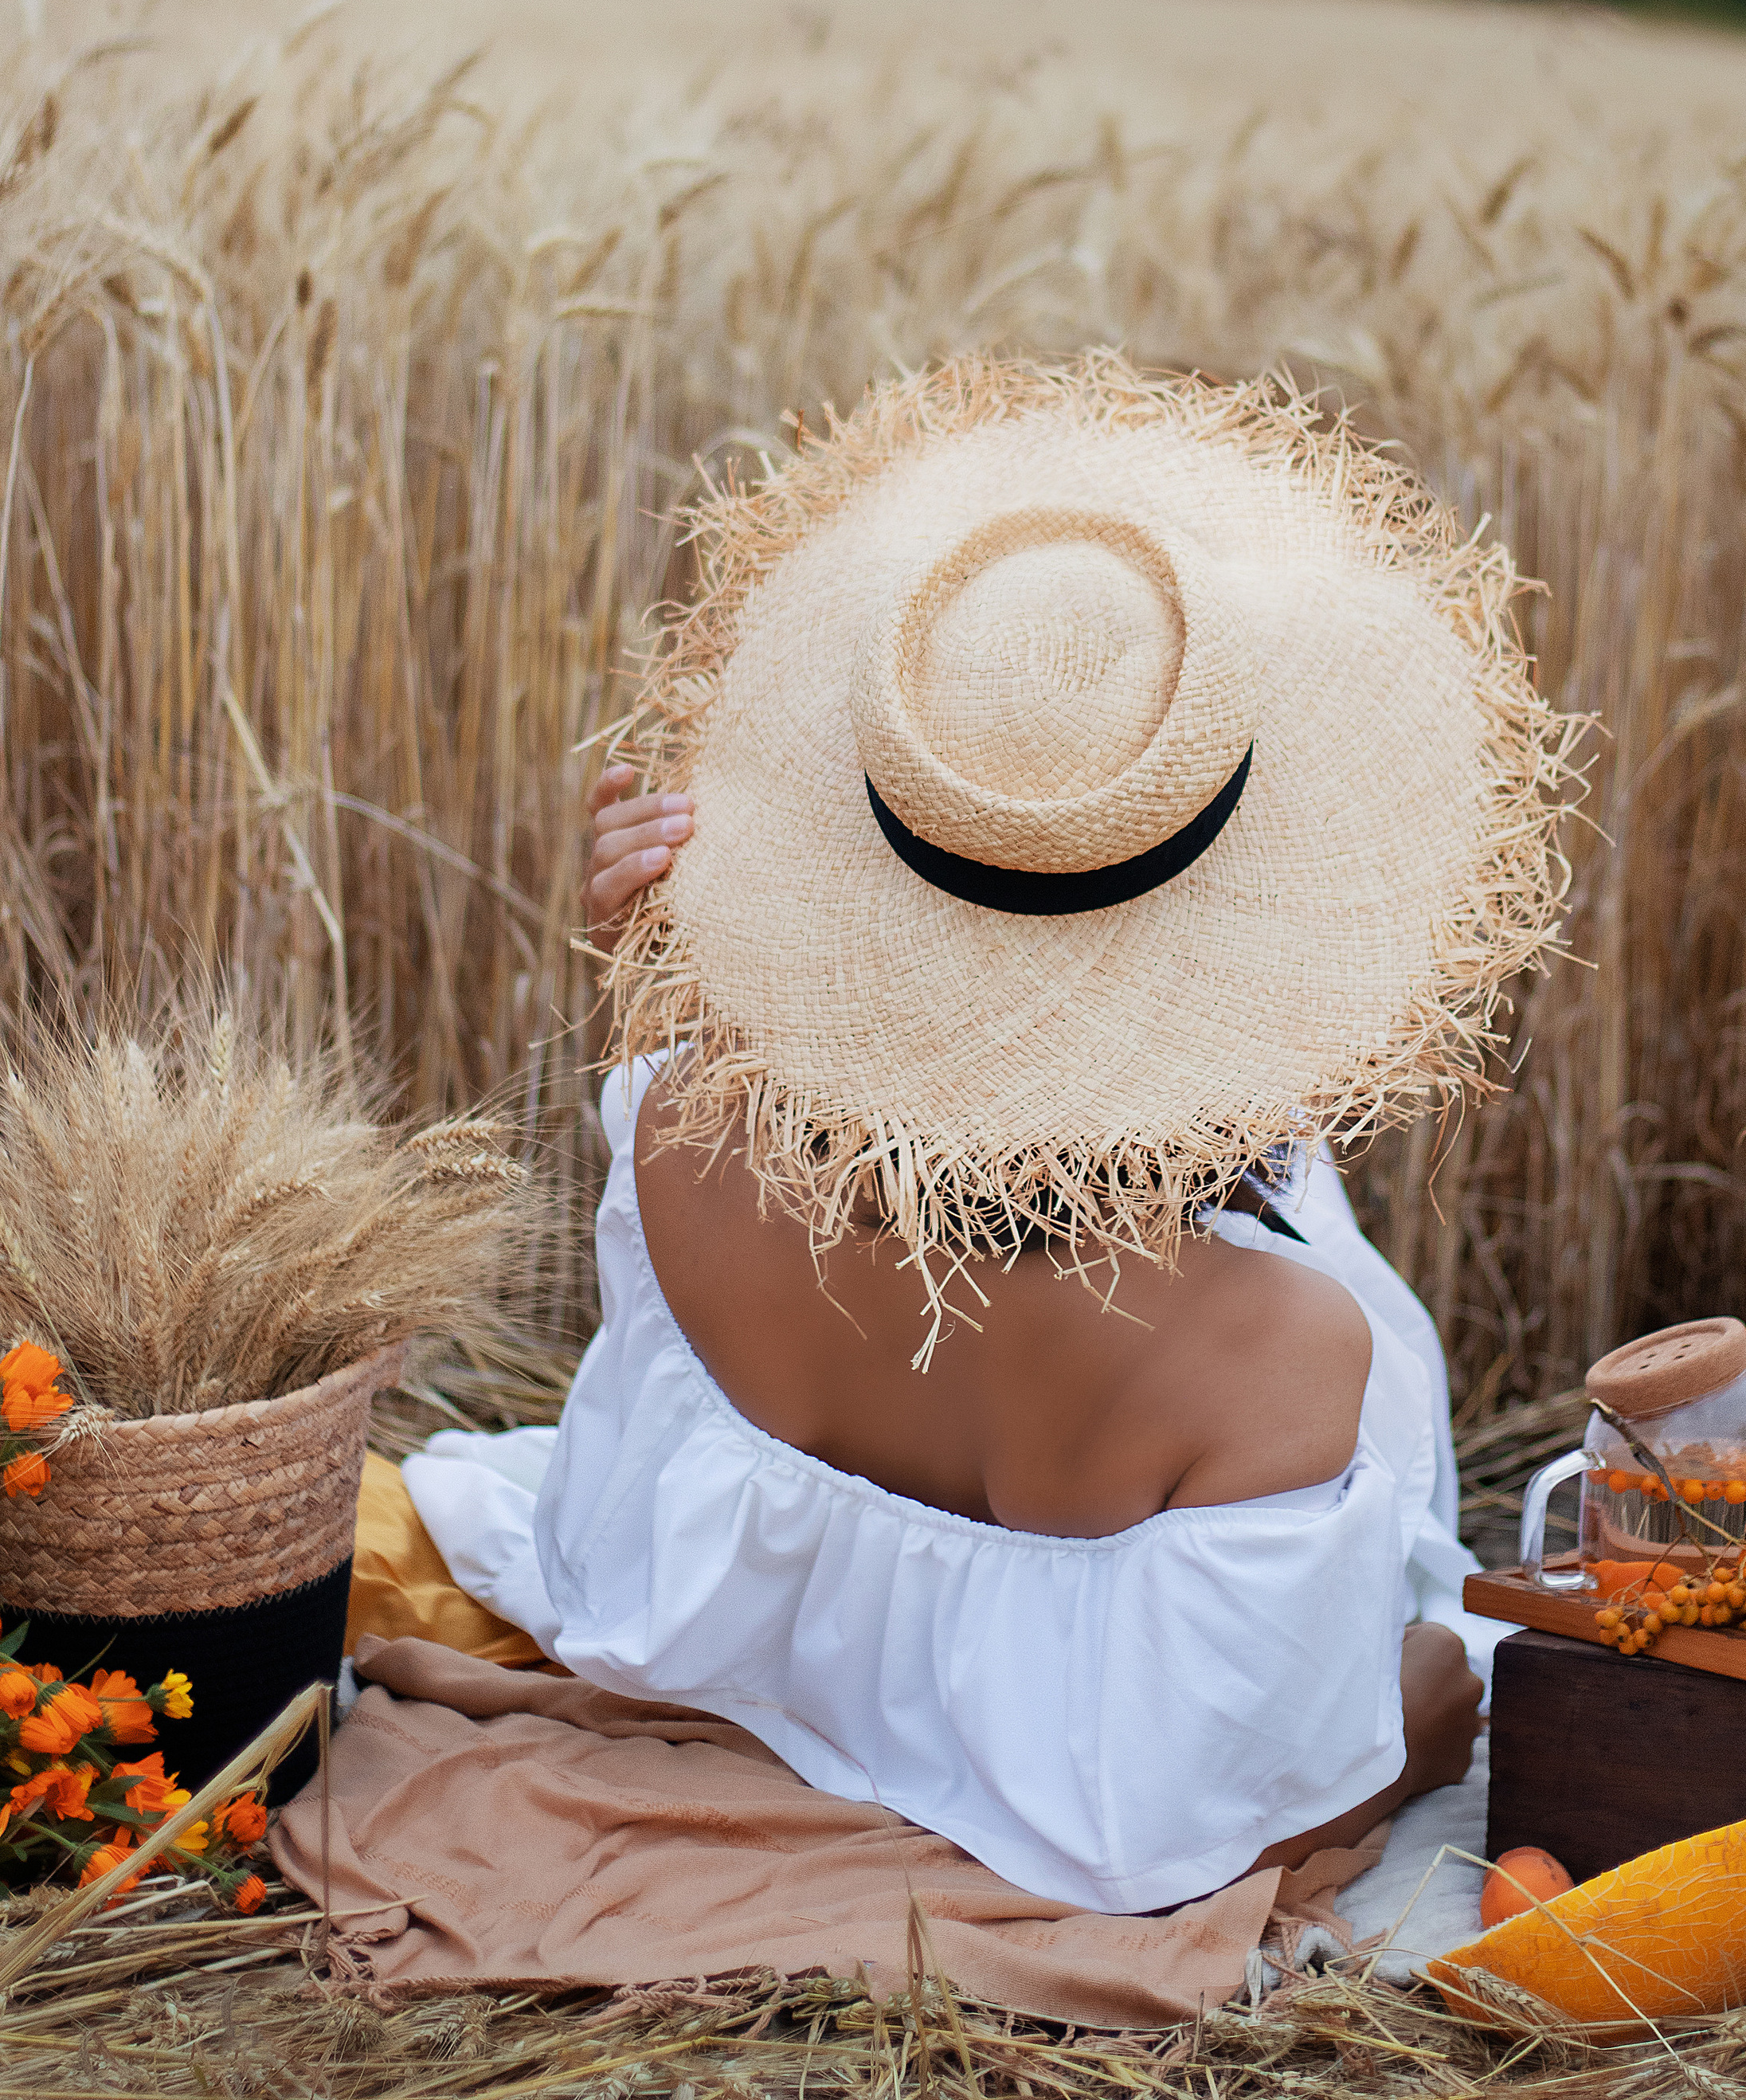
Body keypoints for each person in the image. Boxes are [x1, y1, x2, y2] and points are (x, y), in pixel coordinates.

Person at [405, 355, 1572, 1914]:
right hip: (1116, 1787)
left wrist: (672, 963)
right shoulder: (1270, 1345)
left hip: (741, 1701)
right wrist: (1432, 1712)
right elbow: (1204, 1824)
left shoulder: (678, 1123)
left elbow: (623, 1548)